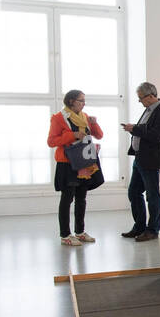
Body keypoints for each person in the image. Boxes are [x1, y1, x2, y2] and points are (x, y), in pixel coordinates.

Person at [47, 90, 104, 246]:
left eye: (84, 101)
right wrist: (73, 135)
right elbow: (51, 141)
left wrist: (94, 123)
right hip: (67, 163)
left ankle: (80, 232)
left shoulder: (85, 117)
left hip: (84, 163)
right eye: (81, 101)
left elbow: (99, 135)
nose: (84, 104)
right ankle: (65, 235)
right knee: (67, 199)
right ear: (71, 101)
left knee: (81, 198)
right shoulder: (59, 118)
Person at [121, 82, 160, 242]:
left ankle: (153, 229)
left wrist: (134, 129)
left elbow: (155, 135)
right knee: (134, 192)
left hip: (150, 160)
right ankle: (139, 226)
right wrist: (135, 129)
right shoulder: (148, 110)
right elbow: (145, 131)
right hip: (139, 158)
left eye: (141, 98)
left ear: (150, 96)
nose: (140, 101)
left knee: (152, 195)